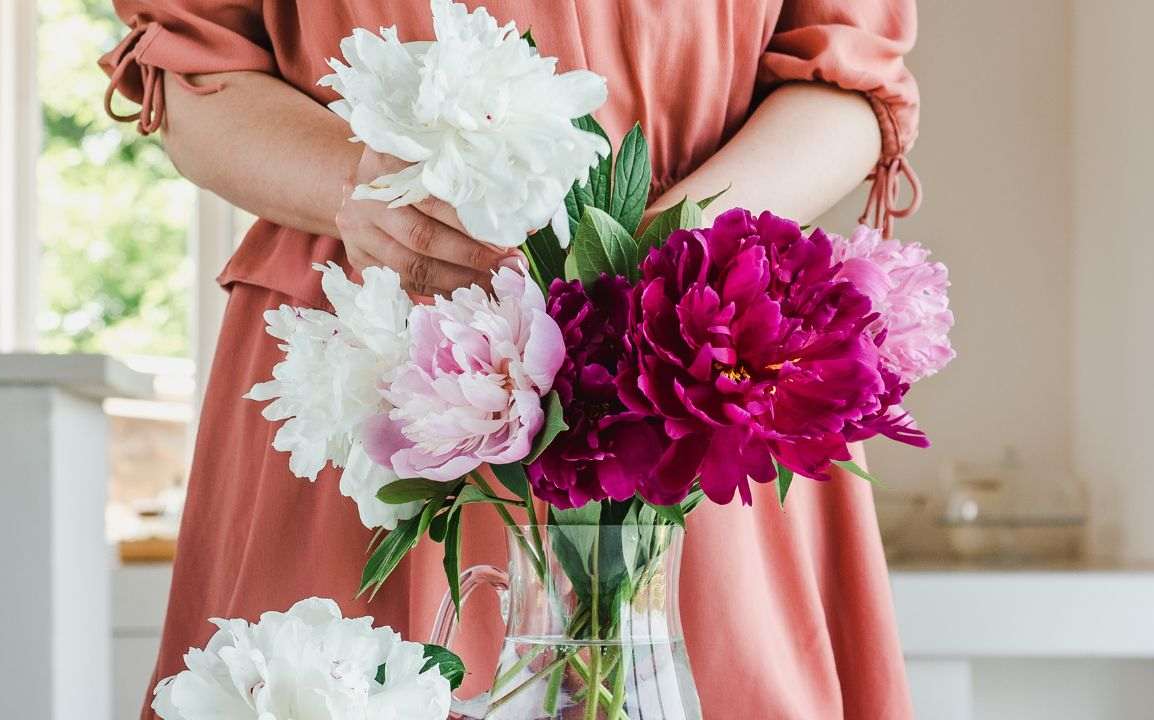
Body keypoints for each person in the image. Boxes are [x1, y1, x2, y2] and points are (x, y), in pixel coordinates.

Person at [101, 1, 921, 717]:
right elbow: (192, 68)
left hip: (697, 350)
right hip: (363, 349)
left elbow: (848, 77)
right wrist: (357, 186)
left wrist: (661, 264)